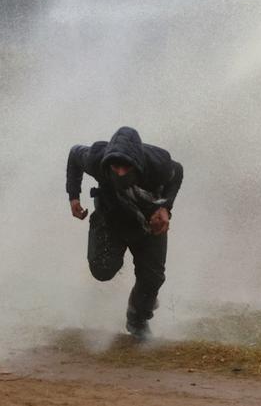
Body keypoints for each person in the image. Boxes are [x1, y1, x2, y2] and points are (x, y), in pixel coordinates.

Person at [65, 126, 184, 340]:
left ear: (137, 164)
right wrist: (74, 196)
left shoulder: (158, 165)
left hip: (149, 222)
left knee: (152, 279)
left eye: (126, 168)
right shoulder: (96, 159)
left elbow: (178, 173)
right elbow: (74, 154)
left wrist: (165, 207)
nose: (120, 172)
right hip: (110, 219)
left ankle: (138, 318)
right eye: (115, 167)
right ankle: (117, 269)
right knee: (102, 270)